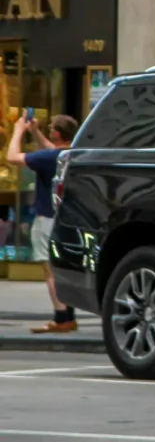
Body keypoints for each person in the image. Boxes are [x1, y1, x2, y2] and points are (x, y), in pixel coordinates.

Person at [6, 114, 78, 333]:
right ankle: (68, 314)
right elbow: (49, 149)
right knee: (64, 267)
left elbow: (12, 157)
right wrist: (35, 131)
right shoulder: (71, 154)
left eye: (50, 129)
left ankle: (61, 317)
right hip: (66, 217)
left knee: (49, 269)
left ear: (56, 133)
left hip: (47, 217)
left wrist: (18, 130)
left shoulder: (48, 157)